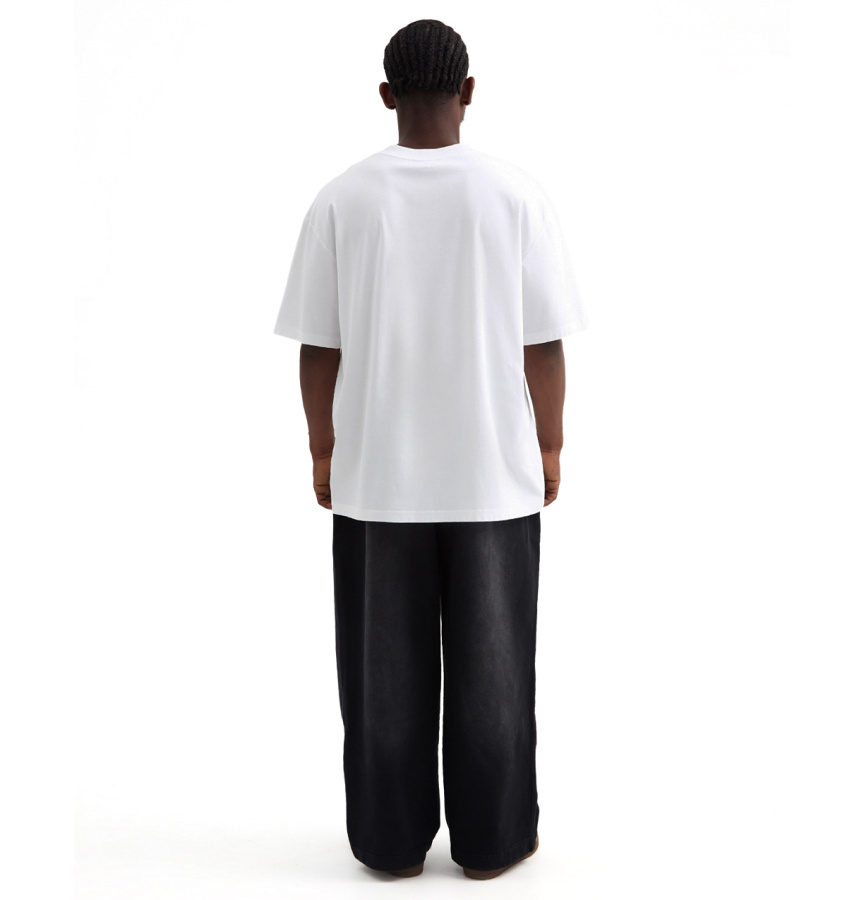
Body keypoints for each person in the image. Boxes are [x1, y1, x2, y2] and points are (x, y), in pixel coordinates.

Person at [273, 19, 588, 880]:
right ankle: (491, 843)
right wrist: (550, 444)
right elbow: (543, 343)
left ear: (385, 94)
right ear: (468, 91)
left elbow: (319, 347)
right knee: (496, 676)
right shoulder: (513, 195)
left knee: (382, 682)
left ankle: (388, 844)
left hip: (379, 479)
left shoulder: (342, 199)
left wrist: (322, 450)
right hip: (492, 475)